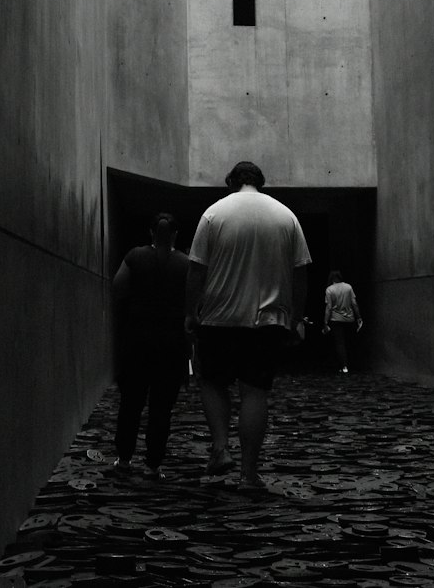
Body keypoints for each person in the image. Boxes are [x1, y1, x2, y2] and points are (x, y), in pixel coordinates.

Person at [185, 161, 311, 491]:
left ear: (232, 183)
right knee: (255, 391)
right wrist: (296, 317)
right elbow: (301, 272)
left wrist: (190, 312)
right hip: (267, 321)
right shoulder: (287, 217)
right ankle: (248, 474)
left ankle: (220, 447)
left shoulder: (214, 214)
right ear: (261, 182)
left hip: (218, 318)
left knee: (212, 381)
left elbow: (196, 269)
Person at [111, 211, 190, 478]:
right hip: (171, 343)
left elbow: (118, 288)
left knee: (131, 402)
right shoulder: (185, 263)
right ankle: (154, 463)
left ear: (151, 232)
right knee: (161, 408)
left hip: (137, 339)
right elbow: (194, 299)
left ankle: (123, 458)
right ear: (176, 234)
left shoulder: (135, 256)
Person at [323, 268, 362, 373]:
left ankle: (344, 366)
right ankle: (354, 364)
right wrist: (358, 317)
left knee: (339, 343)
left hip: (336, 319)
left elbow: (329, 307)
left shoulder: (329, 289)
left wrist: (325, 322)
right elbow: (354, 303)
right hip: (349, 318)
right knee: (350, 341)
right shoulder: (348, 287)